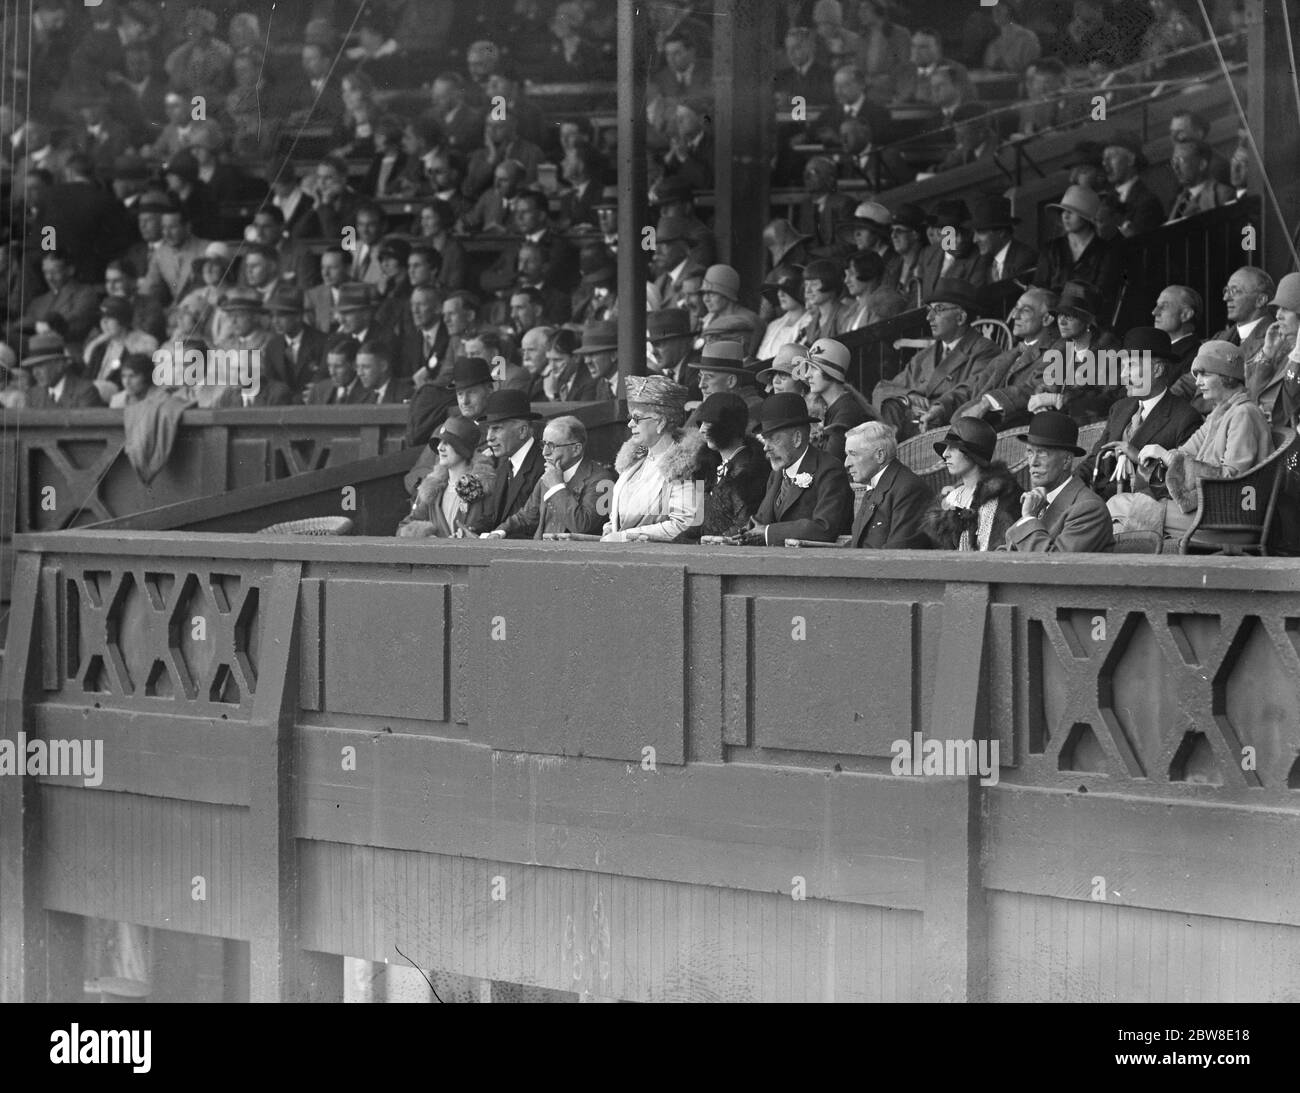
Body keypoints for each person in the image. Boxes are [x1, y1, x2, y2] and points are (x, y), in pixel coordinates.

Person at [1107, 342, 1272, 541]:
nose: (1197, 382)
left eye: (1205, 374)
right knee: (1119, 509)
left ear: (1227, 377)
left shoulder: (1244, 413)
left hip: (1232, 518)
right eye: (1197, 375)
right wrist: (1141, 455)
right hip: (1209, 509)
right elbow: (1185, 453)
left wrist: (1166, 455)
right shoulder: (1219, 413)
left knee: (1119, 506)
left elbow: (1232, 477)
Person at [1075, 327, 1203, 500]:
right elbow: (1093, 462)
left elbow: (1181, 483)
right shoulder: (1119, 408)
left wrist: (1137, 456)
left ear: (1157, 370)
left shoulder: (1185, 418)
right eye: (1122, 366)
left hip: (1137, 510)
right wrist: (1067, 488)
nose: (1122, 375)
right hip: (1097, 503)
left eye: (1130, 366)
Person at [873, 279, 999, 436]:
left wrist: (937, 406)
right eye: (929, 309)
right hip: (915, 430)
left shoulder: (985, 351)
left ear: (960, 318)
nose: (929, 317)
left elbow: (972, 392)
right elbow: (882, 389)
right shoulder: (924, 357)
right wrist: (909, 395)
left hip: (949, 431)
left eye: (938, 309)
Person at [738, 392, 855, 545]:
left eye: (773, 438)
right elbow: (764, 519)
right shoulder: (777, 473)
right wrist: (750, 530)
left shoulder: (829, 470)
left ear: (797, 439)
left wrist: (768, 533)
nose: (766, 447)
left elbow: (825, 527)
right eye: (765, 439)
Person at [602, 376, 707, 542]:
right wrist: (610, 529)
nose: (630, 424)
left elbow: (684, 523)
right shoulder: (635, 461)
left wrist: (625, 536)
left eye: (637, 418)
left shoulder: (684, 465)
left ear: (661, 422)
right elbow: (618, 518)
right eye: (630, 418)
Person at [481, 416, 614, 539]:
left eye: (552, 446)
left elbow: (583, 526)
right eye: (543, 444)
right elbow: (526, 517)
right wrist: (500, 532)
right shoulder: (550, 475)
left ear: (576, 449)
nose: (545, 452)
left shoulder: (602, 480)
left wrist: (557, 487)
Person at [1004, 411, 1115, 553]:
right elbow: (1007, 551)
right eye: (1030, 452)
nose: (1032, 462)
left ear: (1067, 461)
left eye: (1043, 453)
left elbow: (1055, 567)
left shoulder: (1089, 508)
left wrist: (1028, 519)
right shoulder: (1039, 502)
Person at [921, 418, 1019, 551]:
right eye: (946, 448)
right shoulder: (952, 498)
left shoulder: (1001, 503)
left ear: (972, 453)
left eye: (953, 448)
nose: (945, 454)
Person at [397, 416, 498, 538]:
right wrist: (427, 537)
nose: (440, 448)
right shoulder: (431, 489)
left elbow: (494, 528)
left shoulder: (484, 487)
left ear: (462, 448)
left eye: (447, 442)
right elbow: (405, 527)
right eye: (439, 442)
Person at [1032, 185, 1122, 314]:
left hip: (1088, 317)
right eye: (1063, 211)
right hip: (1051, 316)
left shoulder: (1105, 251)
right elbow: (1038, 287)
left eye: (1071, 212)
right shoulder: (1051, 248)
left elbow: (1103, 293)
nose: (1065, 216)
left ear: (1086, 217)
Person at [689, 392, 767, 539]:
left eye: (708, 423)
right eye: (701, 423)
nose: (701, 430)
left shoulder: (750, 472)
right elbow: (697, 524)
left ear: (729, 426)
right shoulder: (708, 468)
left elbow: (743, 528)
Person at [844, 421, 934, 549]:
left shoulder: (909, 489)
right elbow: (858, 543)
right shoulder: (875, 484)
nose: (846, 463)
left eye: (853, 454)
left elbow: (898, 551)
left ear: (880, 455)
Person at [472, 388, 546, 532]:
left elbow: (535, 524)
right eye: (488, 429)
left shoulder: (543, 467)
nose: (489, 437)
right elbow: (493, 516)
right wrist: (471, 530)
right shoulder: (504, 467)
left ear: (522, 431)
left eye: (496, 429)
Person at [796, 337, 874, 461]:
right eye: (807, 368)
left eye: (814, 368)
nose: (807, 375)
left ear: (831, 372)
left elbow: (829, 462)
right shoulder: (832, 406)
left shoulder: (847, 412)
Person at [1246, 273, 1300, 425]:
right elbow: (1252, 396)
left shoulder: (1295, 356)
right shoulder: (1284, 350)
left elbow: (1289, 406)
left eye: (1286, 308)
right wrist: (1267, 353)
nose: (1278, 315)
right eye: (1278, 308)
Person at [19, 333, 104, 408]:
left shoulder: (85, 392)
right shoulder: (32, 395)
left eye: (40, 365)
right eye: (33, 367)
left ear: (59, 364)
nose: (35, 373)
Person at [306, 336, 368, 405]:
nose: (332, 372)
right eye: (329, 365)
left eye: (338, 366)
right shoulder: (318, 390)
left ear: (354, 365)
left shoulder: (370, 392)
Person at [758, 272, 807, 360]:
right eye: (778, 290)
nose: (780, 294)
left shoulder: (811, 324)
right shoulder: (773, 325)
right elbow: (761, 356)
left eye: (786, 291)